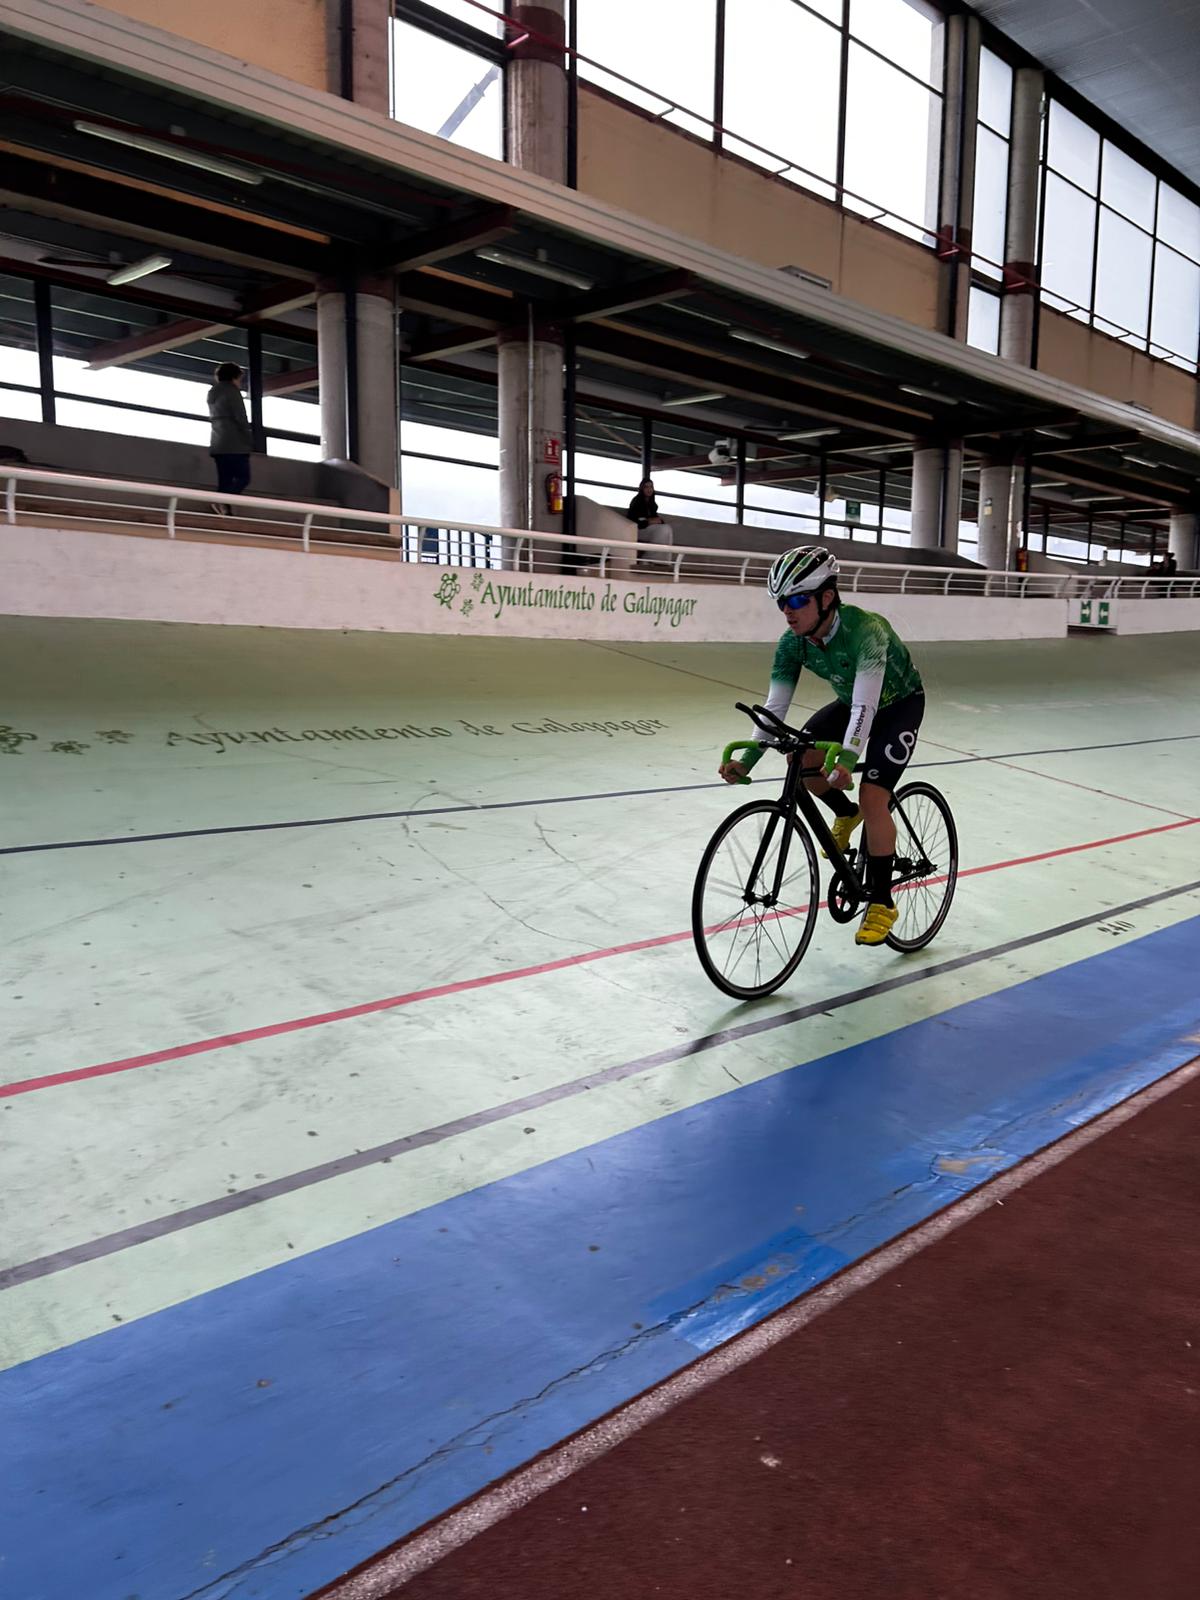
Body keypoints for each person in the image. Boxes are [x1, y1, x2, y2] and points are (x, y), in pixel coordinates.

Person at [718, 545, 925, 948]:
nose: (788, 611)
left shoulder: (866, 630)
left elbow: (867, 706)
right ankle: (845, 815)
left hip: (897, 706)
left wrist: (848, 758)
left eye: (797, 600)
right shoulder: (792, 643)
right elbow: (775, 707)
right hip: (854, 703)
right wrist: (748, 761)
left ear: (826, 597)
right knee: (802, 758)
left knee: (873, 796)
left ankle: (882, 902)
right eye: (782, 603)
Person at [206, 362, 253, 506]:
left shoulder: (212, 392)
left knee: (224, 480)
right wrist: (249, 439)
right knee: (243, 477)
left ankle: (225, 510)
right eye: (240, 379)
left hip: (218, 442)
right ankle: (220, 503)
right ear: (234, 377)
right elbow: (240, 417)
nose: (240, 383)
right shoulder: (232, 391)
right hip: (235, 443)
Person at [626, 477, 673, 567]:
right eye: (646, 487)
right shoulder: (636, 502)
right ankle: (648, 558)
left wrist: (658, 521)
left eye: (651, 487)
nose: (649, 489)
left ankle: (664, 562)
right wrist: (648, 522)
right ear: (642, 489)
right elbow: (633, 522)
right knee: (663, 530)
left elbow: (657, 519)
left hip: (649, 530)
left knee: (667, 529)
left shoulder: (652, 504)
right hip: (637, 531)